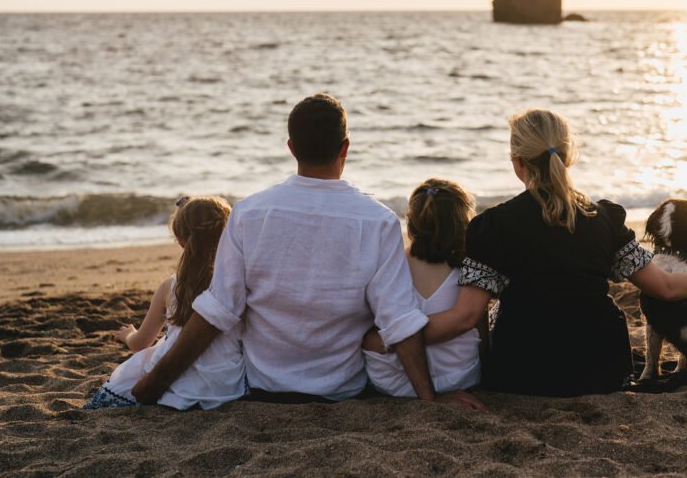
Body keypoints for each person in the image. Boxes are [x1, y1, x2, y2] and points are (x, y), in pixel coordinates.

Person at [130, 93, 483, 410]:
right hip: (342, 390)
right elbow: (398, 320)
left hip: (263, 387)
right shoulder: (378, 222)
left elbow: (218, 311)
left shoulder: (249, 213)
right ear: (345, 147)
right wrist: (430, 398)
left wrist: (155, 383)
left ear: (291, 147)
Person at [423, 109, 687, 397]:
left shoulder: (492, 227)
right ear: (568, 157)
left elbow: (465, 317)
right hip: (603, 369)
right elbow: (665, 288)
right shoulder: (604, 218)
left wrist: (397, 339)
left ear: (517, 163)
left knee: (498, 312)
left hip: (521, 373)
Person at [85, 195, 246, 409]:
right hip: (226, 384)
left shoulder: (169, 288)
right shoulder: (237, 282)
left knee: (129, 374)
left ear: (180, 240)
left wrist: (128, 335)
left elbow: (141, 344)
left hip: (174, 384)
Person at [362, 179, 483, 397]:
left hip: (394, 381)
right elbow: (480, 331)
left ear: (410, 223)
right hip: (460, 376)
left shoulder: (390, 265)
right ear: (464, 223)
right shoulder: (471, 267)